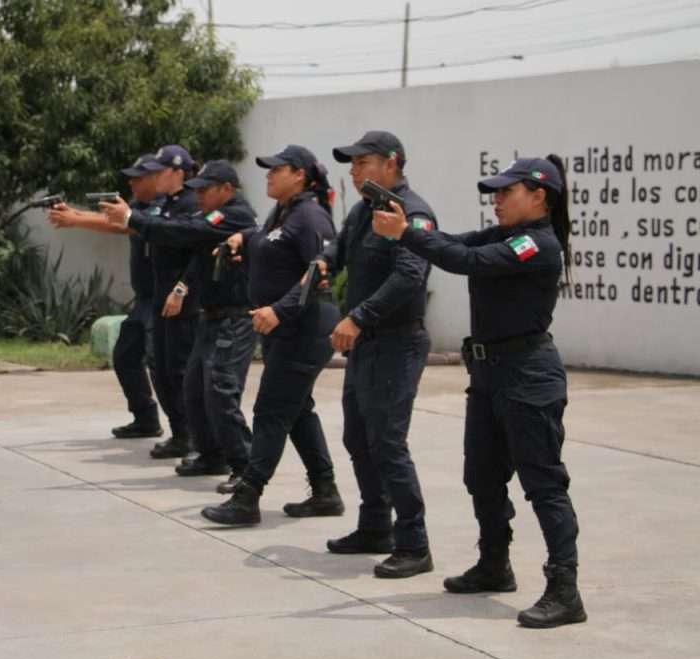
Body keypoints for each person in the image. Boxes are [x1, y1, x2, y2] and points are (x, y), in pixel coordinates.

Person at [371, 155, 586, 628]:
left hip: (528, 376)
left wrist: (405, 234)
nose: (497, 200)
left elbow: (466, 261)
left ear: (539, 196)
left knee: (543, 484)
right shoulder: (503, 235)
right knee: (482, 476)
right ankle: (494, 564)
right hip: (489, 375)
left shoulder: (537, 244)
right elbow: (453, 244)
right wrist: (411, 226)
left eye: (507, 192)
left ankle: (565, 589)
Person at [201, 145, 344, 526]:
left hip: (305, 326)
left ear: (299, 175)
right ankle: (325, 490)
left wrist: (279, 310)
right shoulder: (282, 213)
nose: (268, 174)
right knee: (296, 410)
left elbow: (318, 275)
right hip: (284, 327)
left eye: (276, 169)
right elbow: (269, 241)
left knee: (270, 410)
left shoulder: (311, 216)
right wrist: (243, 238)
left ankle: (248, 497)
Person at [319, 131, 436, 579]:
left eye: (362, 163)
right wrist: (325, 262)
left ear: (391, 163)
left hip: (397, 342)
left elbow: (409, 276)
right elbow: (340, 248)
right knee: (358, 437)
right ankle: (374, 527)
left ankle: (414, 544)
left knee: (387, 442)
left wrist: (358, 317)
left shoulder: (413, 214)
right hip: (367, 344)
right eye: (351, 165)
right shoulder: (364, 210)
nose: (354, 172)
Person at [102, 161, 258, 479]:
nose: (198, 195)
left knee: (220, 392)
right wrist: (183, 286)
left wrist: (131, 218)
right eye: (196, 189)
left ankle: (245, 468)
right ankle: (211, 455)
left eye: (205, 189)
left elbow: (187, 232)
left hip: (234, 317)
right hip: (212, 315)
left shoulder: (233, 214)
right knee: (193, 388)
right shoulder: (212, 214)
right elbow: (195, 247)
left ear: (227, 189)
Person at [48, 154, 164, 439]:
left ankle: (188, 432)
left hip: (165, 299)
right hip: (145, 299)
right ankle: (146, 418)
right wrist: (75, 215)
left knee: (162, 365)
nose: (131, 183)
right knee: (125, 355)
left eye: (138, 178)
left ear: (157, 178)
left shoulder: (166, 207)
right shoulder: (140, 206)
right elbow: (115, 221)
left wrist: (75, 219)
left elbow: (122, 225)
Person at [120, 145, 201, 460]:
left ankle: (193, 435)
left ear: (178, 172)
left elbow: (195, 250)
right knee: (163, 370)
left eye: (160, 171)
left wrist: (181, 289)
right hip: (158, 297)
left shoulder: (192, 203)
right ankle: (181, 433)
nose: (154, 177)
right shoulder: (164, 204)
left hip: (181, 302)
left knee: (179, 371)